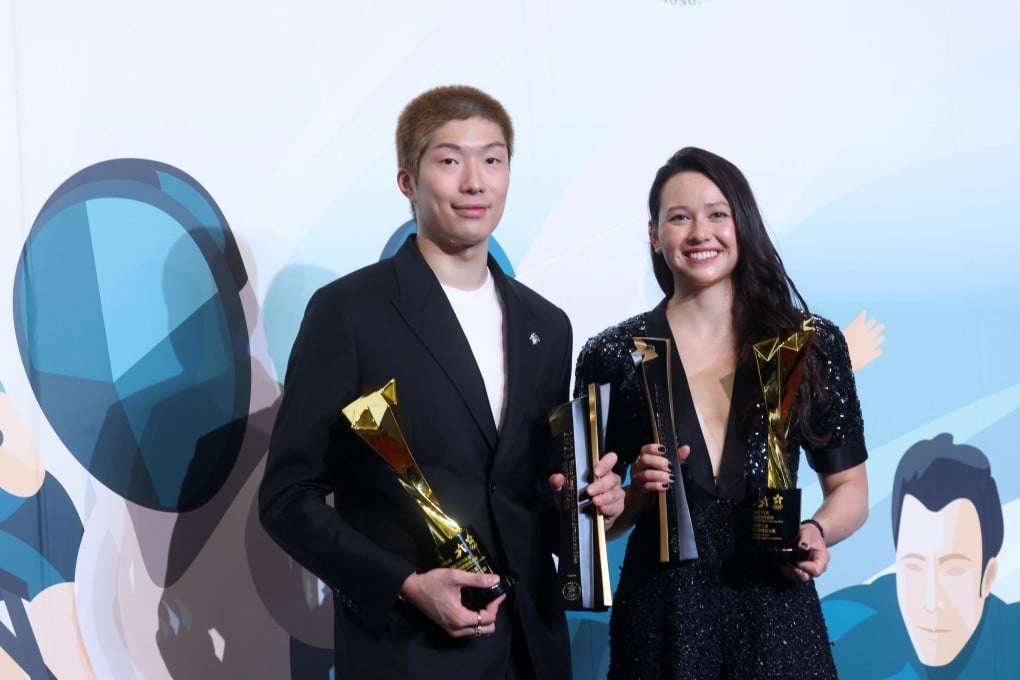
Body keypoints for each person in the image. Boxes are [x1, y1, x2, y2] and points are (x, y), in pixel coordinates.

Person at [258, 85, 624, 680]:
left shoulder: (546, 325)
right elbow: (286, 499)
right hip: (409, 654)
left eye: (493, 158)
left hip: (532, 650)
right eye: (450, 160)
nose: (475, 182)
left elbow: (529, 494)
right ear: (407, 180)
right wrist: (402, 585)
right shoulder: (349, 312)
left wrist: (592, 506)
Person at [574, 147, 869, 678]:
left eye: (717, 214)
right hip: (660, 618)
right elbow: (599, 519)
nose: (699, 232)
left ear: (743, 224)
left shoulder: (806, 343)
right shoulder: (614, 355)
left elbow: (849, 488)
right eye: (679, 217)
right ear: (653, 233)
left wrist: (816, 532)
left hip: (778, 610)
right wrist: (637, 493)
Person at [825, 433, 1020, 677]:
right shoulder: (843, 628)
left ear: (988, 576)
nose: (930, 602)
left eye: (953, 570)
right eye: (914, 567)